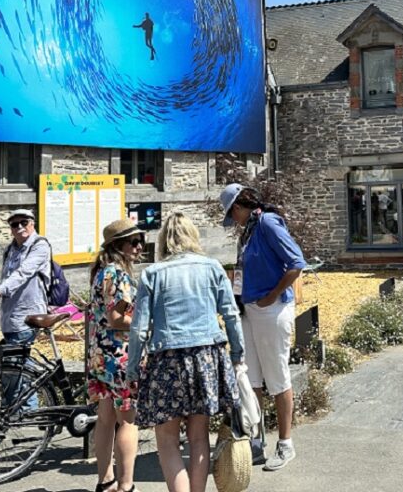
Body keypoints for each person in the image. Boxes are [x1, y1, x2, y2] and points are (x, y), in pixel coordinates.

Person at [127, 212, 243, 492]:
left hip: (167, 360)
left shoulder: (152, 273)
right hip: (206, 356)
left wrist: (132, 369)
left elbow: (139, 328)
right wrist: (237, 355)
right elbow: (231, 315)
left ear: (164, 241)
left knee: (166, 440)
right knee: (199, 437)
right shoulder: (212, 267)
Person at [221, 183, 306, 472]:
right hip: (250, 309)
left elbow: (296, 263)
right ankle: (257, 442)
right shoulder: (248, 231)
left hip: (271, 309)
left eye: (232, 216)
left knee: (277, 376)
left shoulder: (267, 222)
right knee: (251, 379)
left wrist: (271, 296)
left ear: (237, 207)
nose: (233, 222)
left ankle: (285, 443)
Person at [88, 219, 146, 492]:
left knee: (105, 417)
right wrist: (145, 324)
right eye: (132, 242)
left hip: (101, 353)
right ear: (117, 246)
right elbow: (116, 318)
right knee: (128, 421)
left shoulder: (100, 272)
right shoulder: (119, 276)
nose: (138, 246)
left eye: (140, 240)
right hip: (121, 354)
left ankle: (105, 479)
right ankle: (126, 485)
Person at [0, 208, 51, 408]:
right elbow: (7, 277)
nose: (19, 227)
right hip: (10, 316)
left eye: (23, 222)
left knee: (13, 368)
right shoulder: (10, 249)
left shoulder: (39, 245)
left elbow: (23, 273)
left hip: (28, 315)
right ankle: (29, 409)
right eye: (14, 224)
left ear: (32, 223)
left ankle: (22, 410)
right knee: (18, 365)